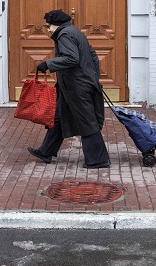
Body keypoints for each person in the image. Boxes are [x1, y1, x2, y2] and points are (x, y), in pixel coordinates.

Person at [26, 9, 111, 169]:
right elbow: (92, 54)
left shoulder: (64, 35)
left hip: (77, 87)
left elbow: (71, 58)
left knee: (87, 120)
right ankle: (46, 151)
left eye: (48, 26)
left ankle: (98, 159)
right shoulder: (74, 31)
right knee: (58, 117)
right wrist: (93, 75)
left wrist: (48, 64)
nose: (48, 30)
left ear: (56, 25)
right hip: (72, 86)